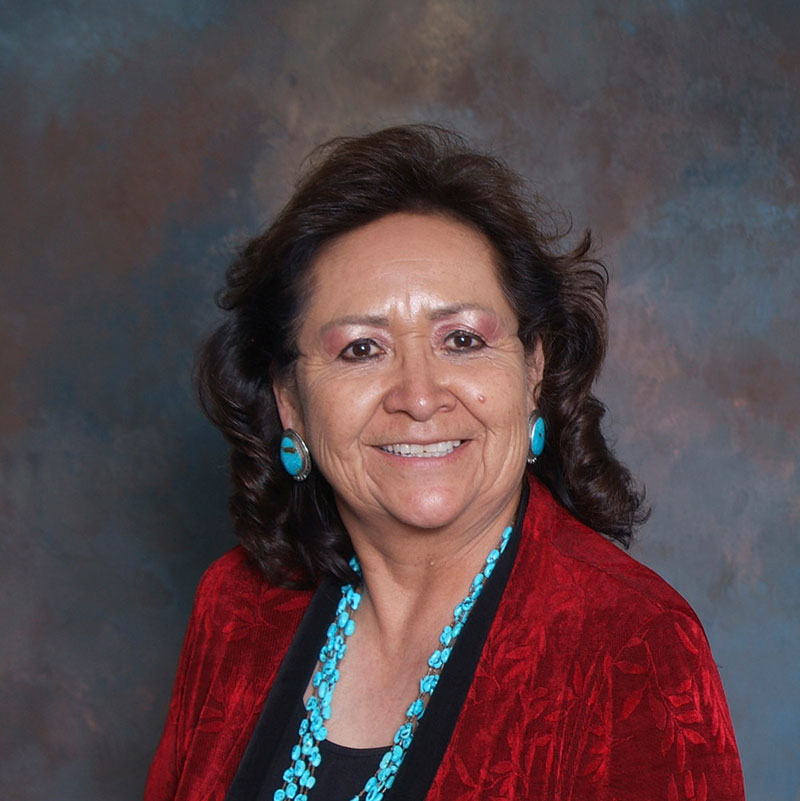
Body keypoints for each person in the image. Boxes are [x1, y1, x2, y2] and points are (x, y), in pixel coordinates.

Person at [145, 125, 745, 801]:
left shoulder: (632, 646)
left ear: (533, 370)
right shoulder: (236, 607)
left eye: (461, 340)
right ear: (291, 401)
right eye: (361, 349)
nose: (419, 396)